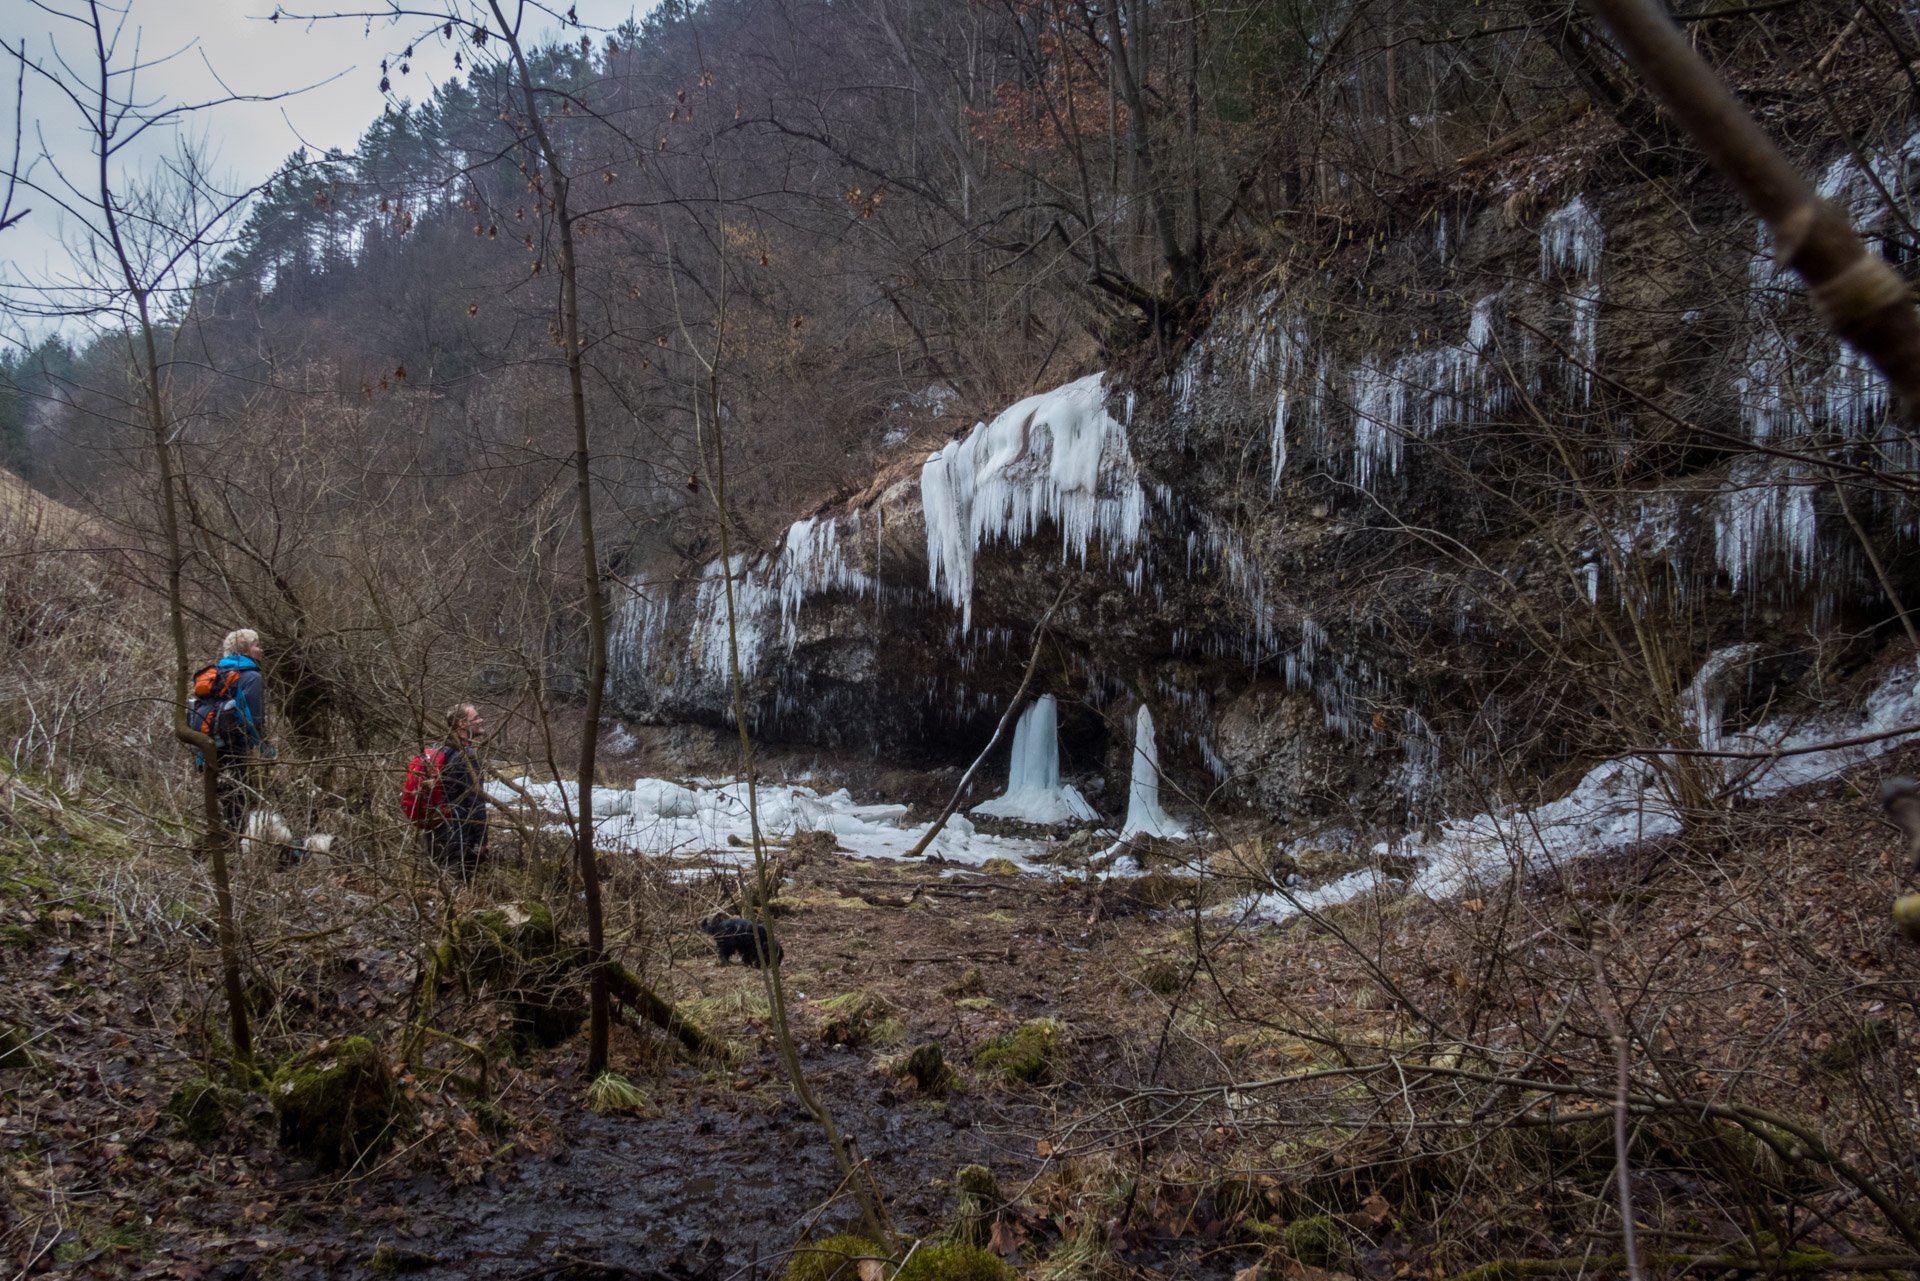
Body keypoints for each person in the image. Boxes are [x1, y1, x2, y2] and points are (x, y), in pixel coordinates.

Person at [206, 628, 270, 838]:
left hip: (210, 744)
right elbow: (256, 719)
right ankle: (241, 842)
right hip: (236, 746)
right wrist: (263, 748)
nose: (260, 650)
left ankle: (224, 838)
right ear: (244, 649)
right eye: (256, 645)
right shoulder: (252, 677)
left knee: (223, 796)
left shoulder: (217, 673)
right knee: (239, 797)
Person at [429, 703, 489, 880]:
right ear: (462, 724)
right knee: (455, 883)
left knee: (437, 881)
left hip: (435, 825)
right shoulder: (466, 756)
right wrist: (481, 840)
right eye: (476, 717)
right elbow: (475, 800)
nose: (481, 720)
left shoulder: (440, 748)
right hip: (458, 832)